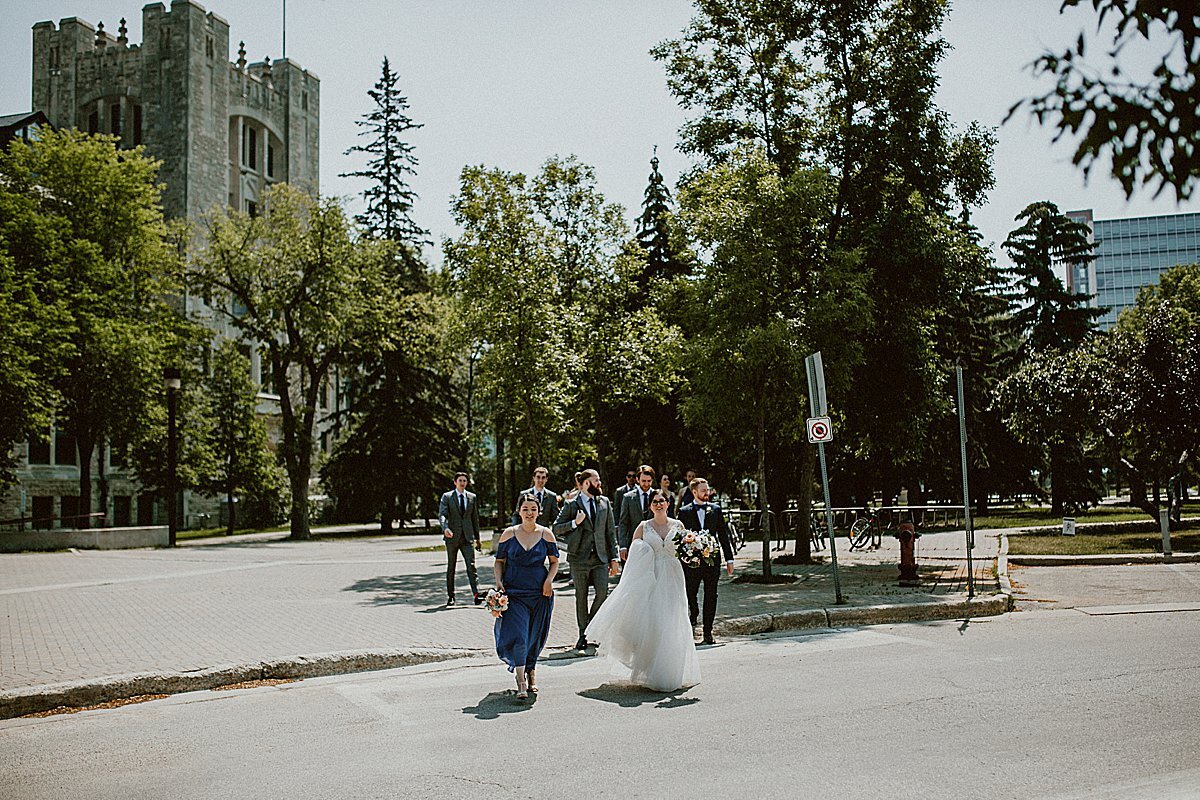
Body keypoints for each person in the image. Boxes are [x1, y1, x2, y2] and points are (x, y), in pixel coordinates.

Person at [586, 488, 700, 691]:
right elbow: (634, 558)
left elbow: (685, 551)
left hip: (673, 576)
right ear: (650, 505)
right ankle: (654, 671)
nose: (659, 504)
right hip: (651, 579)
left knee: (674, 621)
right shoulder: (643, 527)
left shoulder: (679, 525)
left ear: (667, 503)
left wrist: (695, 552)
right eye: (655, 501)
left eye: (662, 500)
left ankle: (673, 671)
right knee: (655, 623)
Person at [493, 494, 559, 700]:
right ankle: (521, 681)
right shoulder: (508, 534)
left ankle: (531, 672)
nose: (529, 513)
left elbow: (555, 562)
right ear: (519, 511)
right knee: (520, 636)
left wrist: (549, 580)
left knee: (534, 637)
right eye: (525, 509)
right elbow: (499, 561)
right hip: (514, 593)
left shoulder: (547, 534)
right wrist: (498, 583)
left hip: (540, 593)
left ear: (538, 511)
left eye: (533, 509)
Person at [553, 469, 620, 651]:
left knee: (602, 593)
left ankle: (592, 627)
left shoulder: (605, 502)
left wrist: (614, 558)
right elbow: (556, 528)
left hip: (600, 558)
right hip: (579, 559)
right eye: (596, 481)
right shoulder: (571, 505)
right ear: (585, 484)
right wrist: (575, 523)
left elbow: (609, 533)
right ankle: (583, 634)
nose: (599, 484)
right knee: (581, 598)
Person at [677, 477, 736, 645]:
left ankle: (708, 632)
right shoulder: (684, 511)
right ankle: (693, 613)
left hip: (712, 559)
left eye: (708, 490)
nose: (707, 493)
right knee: (690, 593)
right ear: (694, 492)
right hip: (692, 561)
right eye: (703, 490)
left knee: (711, 595)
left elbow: (723, 535)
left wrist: (729, 559)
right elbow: (680, 537)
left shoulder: (715, 509)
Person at [438, 472, 483, 606]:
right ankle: (451, 596)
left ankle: (476, 595)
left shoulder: (472, 497)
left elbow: (475, 519)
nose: (462, 483)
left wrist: (478, 538)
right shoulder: (447, 497)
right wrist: (445, 528)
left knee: (471, 567)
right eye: (460, 480)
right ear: (455, 482)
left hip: (467, 538)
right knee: (451, 567)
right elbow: (442, 514)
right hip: (452, 537)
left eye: (464, 481)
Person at [617, 465, 655, 561]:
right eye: (643, 481)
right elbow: (623, 523)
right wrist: (623, 546)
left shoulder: (658, 496)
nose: (646, 484)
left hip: (654, 544)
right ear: (637, 480)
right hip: (633, 543)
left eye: (649, 481)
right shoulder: (628, 497)